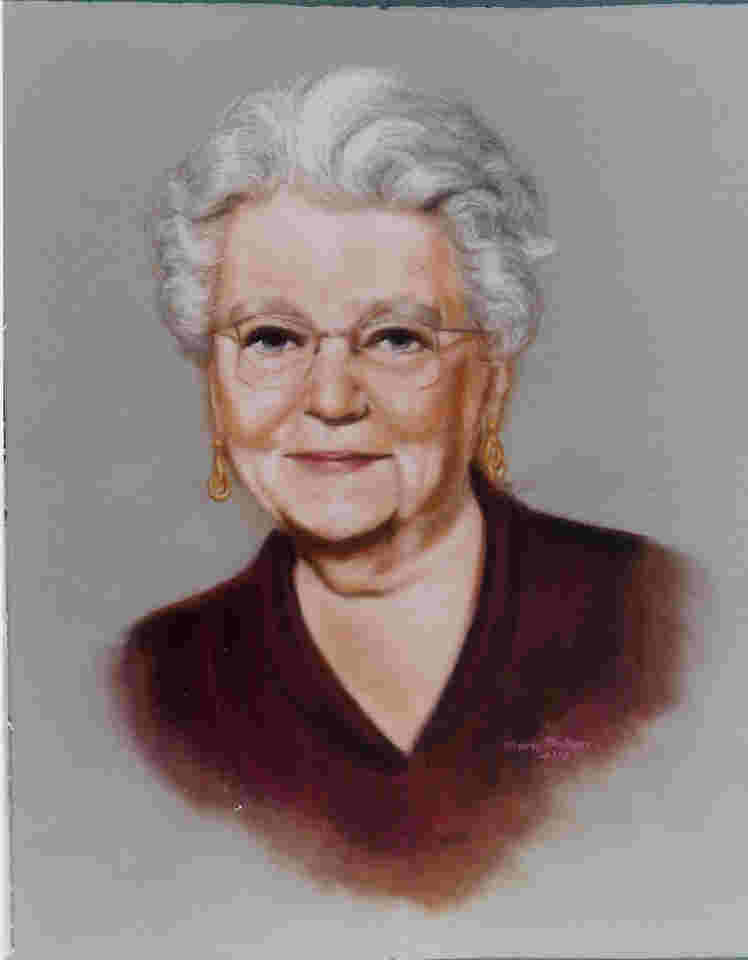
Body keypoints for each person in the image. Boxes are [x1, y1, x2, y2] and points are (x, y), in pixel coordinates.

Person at [115, 68, 684, 906]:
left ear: (488, 375)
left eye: (395, 339)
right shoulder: (158, 684)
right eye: (272, 338)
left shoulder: (650, 620)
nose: (332, 399)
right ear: (214, 380)